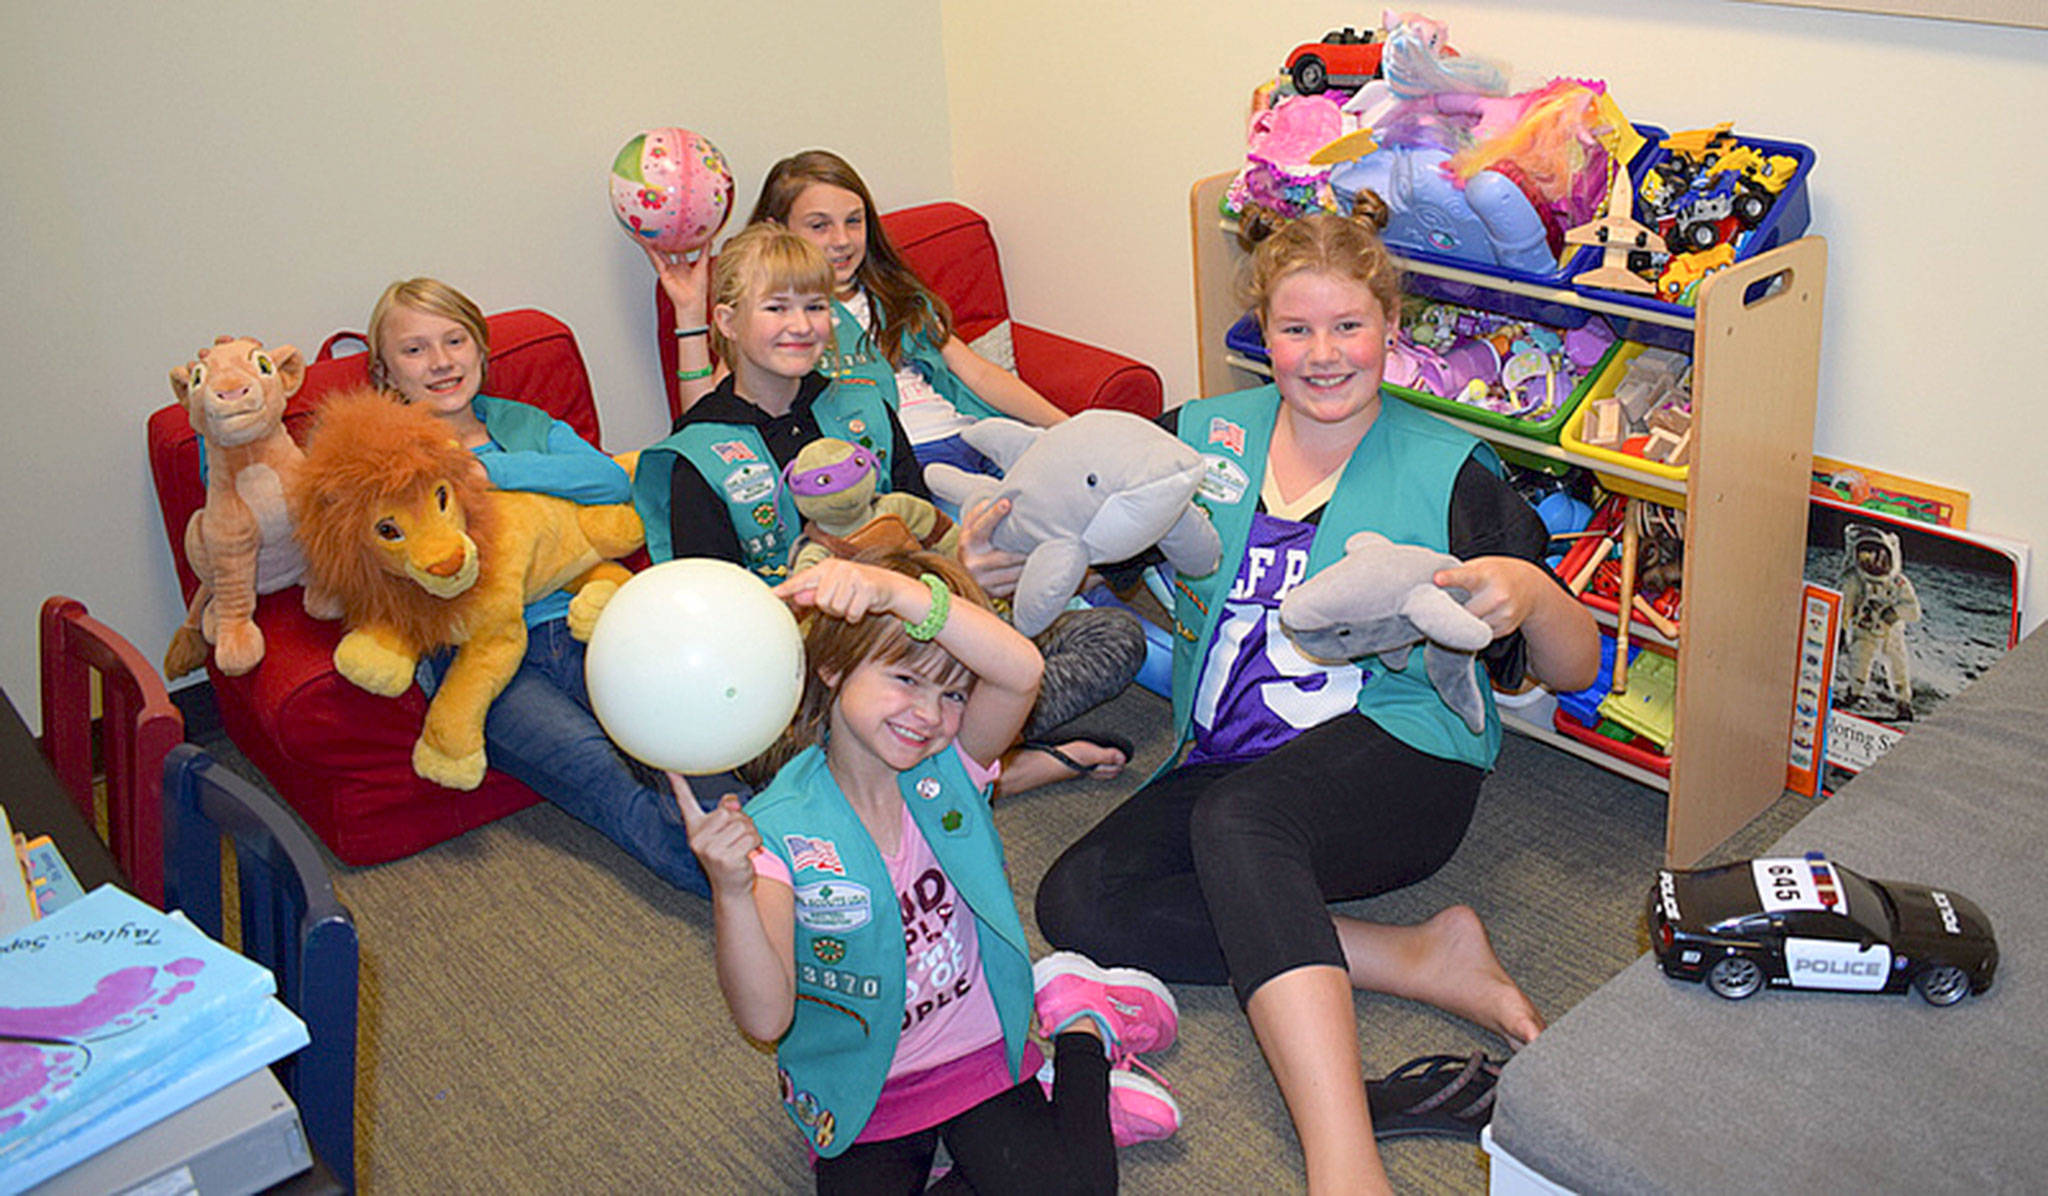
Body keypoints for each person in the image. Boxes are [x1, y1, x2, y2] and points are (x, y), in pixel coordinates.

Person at [1032, 208, 1600, 1193]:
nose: (1323, 354)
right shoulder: (1200, 437)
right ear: (1262, 330)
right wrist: (1011, 546)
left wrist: (1538, 593)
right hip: (1224, 754)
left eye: (1349, 326)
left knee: (1240, 822)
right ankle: (1413, 953)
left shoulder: (1450, 469)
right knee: (1078, 899)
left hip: (1396, 763)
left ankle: (1342, 1159)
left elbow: (1577, 663)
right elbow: (1076, 519)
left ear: (1390, 324)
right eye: (1296, 329)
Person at [676, 551, 1179, 1192]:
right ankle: (1060, 1120)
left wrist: (895, 593)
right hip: (867, 1088)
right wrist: (732, 891)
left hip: (977, 1051)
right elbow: (766, 1020)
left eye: (953, 694)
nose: (929, 715)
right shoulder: (780, 829)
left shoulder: (953, 765)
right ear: (832, 667)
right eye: (905, 680)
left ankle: (1081, 1028)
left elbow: (1022, 670)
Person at [633, 225, 1136, 795]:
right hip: (813, 677)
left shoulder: (864, 403)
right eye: (776, 307)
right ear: (725, 322)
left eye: (816, 306)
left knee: (1114, 636)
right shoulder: (697, 453)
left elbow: (921, 527)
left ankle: (947, 765)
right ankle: (996, 767)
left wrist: (963, 568)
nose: (801, 326)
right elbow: (717, 614)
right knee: (752, 748)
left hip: (922, 630)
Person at [367, 277, 715, 896]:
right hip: (479, 656)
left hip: (576, 618)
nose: (442, 361)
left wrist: (483, 470)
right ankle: (726, 881)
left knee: (668, 730)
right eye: (415, 350)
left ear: (480, 350)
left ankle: (757, 846)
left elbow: (608, 482)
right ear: (386, 371)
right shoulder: (384, 456)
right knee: (598, 770)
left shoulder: (521, 425)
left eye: (455, 340)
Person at [648, 148, 1069, 471]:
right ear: (777, 232)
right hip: (899, 464)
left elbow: (978, 374)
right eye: (819, 225)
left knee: (1083, 497)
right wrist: (689, 317)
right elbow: (708, 422)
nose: (842, 240)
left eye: (854, 221)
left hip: (972, 437)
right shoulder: (785, 323)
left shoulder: (897, 296)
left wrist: (1064, 426)